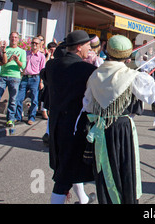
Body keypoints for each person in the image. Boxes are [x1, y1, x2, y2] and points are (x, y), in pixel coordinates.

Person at [82, 35, 155, 203]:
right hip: (122, 128)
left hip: (100, 126)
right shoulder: (131, 75)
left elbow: (87, 104)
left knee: (105, 170)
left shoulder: (95, 74)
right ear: (128, 55)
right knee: (124, 168)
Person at [44, 30, 97, 204]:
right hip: (75, 127)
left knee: (69, 166)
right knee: (64, 175)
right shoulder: (87, 69)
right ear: (79, 47)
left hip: (56, 125)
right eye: (88, 45)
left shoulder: (51, 66)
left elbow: (43, 74)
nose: (90, 48)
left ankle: (83, 199)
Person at [0, 32, 26, 127]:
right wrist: (7, 61)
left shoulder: (22, 51)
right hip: (3, 76)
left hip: (15, 77)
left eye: (16, 37)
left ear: (18, 39)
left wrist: (17, 60)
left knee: (13, 99)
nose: (14, 39)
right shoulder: (4, 49)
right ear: (9, 38)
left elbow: (23, 66)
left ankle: (10, 119)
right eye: (12, 37)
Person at [13, 37, 46, 125]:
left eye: (36, 43)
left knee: (34, 99)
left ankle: (31, 117)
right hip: (25, 77)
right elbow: (21, 64)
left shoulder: (41, 56)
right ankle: (18, 116)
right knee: (19, 98)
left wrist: (41, 82)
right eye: (33, 43)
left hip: (35, 78)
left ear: (39, 45)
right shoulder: (26, 53)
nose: (34, 44)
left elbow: (42, 70)